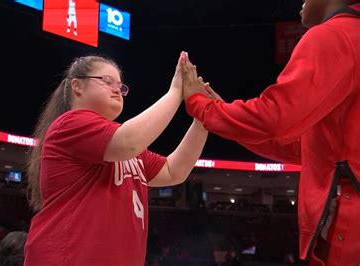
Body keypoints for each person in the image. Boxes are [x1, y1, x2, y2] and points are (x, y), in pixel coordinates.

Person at [180, 1, 360, 265]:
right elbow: (308, 148)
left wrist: (200, 105)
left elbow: (275, 119)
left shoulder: (334, 34)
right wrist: (223, 116)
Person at [24, 53, 209, 265]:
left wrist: (203, 118)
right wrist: (176, 91)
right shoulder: (69, 124)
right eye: (107, 81)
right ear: (77, 86)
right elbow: (129, 141)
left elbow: (173, 171)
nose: (117, 90)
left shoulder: (123, 146)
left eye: (121, 86)